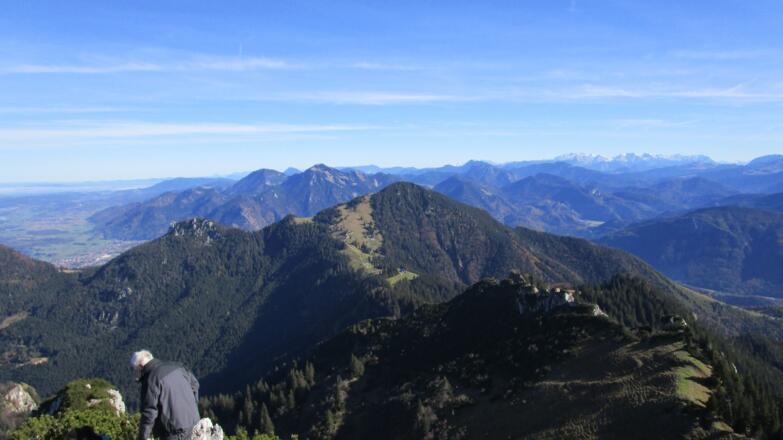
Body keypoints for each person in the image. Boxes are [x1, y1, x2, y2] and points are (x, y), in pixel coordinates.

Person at [131, 350, 201, 440]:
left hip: (174, 432)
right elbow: (195, 385)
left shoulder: (150, 379)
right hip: (195, 424)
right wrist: (193, 408)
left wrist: (142, 437)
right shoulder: (177, 366)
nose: (136, 374)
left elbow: (149, 412)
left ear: (140, 367)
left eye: (135, 370)